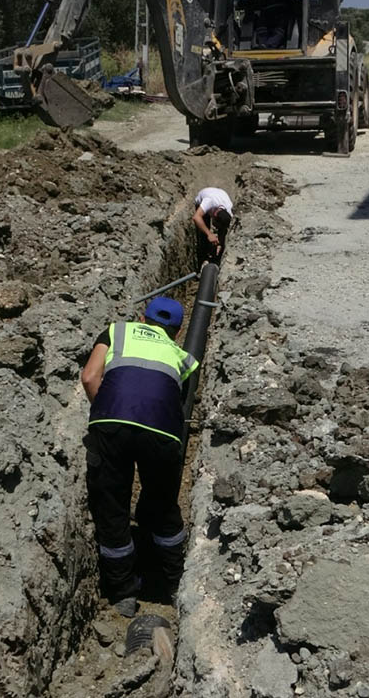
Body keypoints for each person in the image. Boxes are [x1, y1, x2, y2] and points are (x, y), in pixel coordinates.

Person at [80, 297, 199, 617]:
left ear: (142, 318)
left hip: (110, 424)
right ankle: (174, 583)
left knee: (111, 505)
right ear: (175, 332)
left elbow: (90, 377)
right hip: (162, 432)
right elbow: (178, 402)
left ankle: (123, 593)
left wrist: (106, 411)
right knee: (163, 506)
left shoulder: (117, 332)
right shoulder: (183, 356)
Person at [192, 187, 233, 268]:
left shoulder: (229, 209)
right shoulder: (208, 202)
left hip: (220, 194)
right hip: (206, 195)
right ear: (214, 217)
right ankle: (203, 258)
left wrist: (221, 243)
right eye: (216, 225)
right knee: (203, 233)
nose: (216, 228)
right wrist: (209, 234)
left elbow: (225, 227)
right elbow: (196, 217)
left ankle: (217, 254)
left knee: (222, 231)